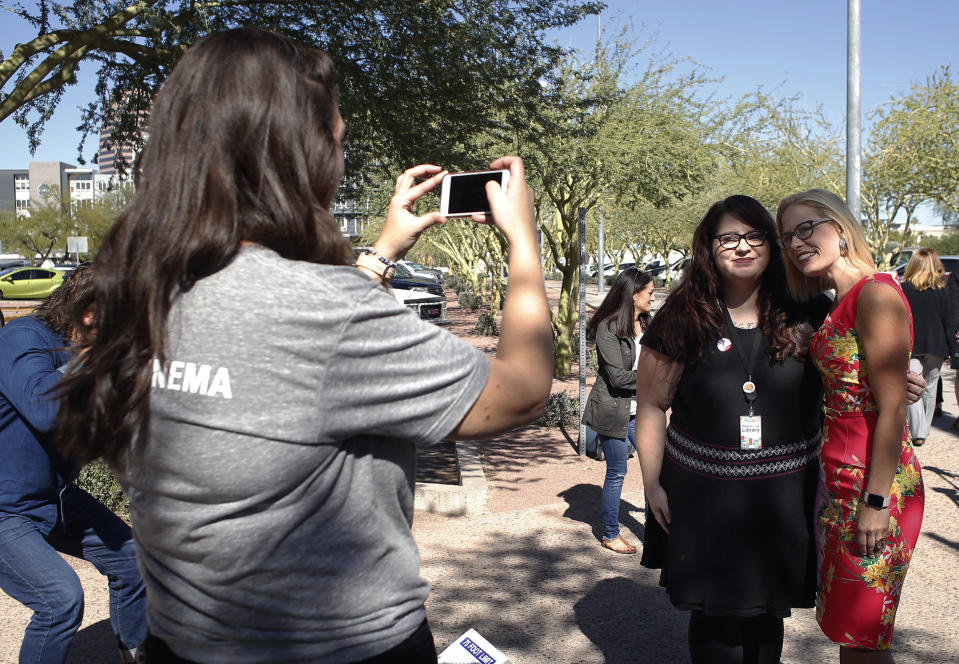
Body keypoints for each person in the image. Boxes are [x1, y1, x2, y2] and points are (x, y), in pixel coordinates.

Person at [53, 28, 552, 664]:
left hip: (179, 645)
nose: (337, 162)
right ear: (297, 156)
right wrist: (524, 245)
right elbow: (524, 389)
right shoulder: (326, 313)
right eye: (335, 143)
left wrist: (384, 250)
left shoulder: (128, 298)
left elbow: (282, 363)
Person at [636, 195, 825, 664]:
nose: (742, 246)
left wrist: (897, 379)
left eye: (755, 235)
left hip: (783, 499)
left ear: (771, 243)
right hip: (705, 499)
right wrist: (652, 481)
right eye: (729, 237)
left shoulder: (809, 312)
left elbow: (853, 377)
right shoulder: (680, 317)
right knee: (717, 625)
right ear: (709, 247)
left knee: (767, 620)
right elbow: (652, 406)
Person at [777, 189, 923, 664]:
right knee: (851, 634)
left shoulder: (875, 293)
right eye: (786, 237)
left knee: (865, 636)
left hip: (875, 486)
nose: (796, 244)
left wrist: (876, 502)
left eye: (806, 229)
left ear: (839, 228)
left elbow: (893, 410)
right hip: (838, 480)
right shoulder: (837, 298)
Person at [0, 264, 147, 663]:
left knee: (133, 562)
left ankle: (135, 654)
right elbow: (44, 411)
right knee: (59, 600)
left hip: (52, 495)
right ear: (88, 313)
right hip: (5, 507)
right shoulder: (22, 338)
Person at [582, 267, 655, 554]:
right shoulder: (608, 328)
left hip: (644, 412)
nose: (653, 297)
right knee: (617, 471)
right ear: (634, 294)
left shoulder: (649, 323)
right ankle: (610, 533)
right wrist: (658, 378)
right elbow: (618, 378)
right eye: (649, 293)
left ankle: (656, 533)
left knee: (655, 473)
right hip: (613, 409)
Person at [900, 248, 954, 447]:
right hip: (936, 345)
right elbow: (948, 322)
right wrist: (951, 348)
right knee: (930, 388)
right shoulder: (942, 291)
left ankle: (917, 432)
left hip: (912, 344)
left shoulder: (903, 289)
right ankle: (924, 431)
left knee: (912, 385)